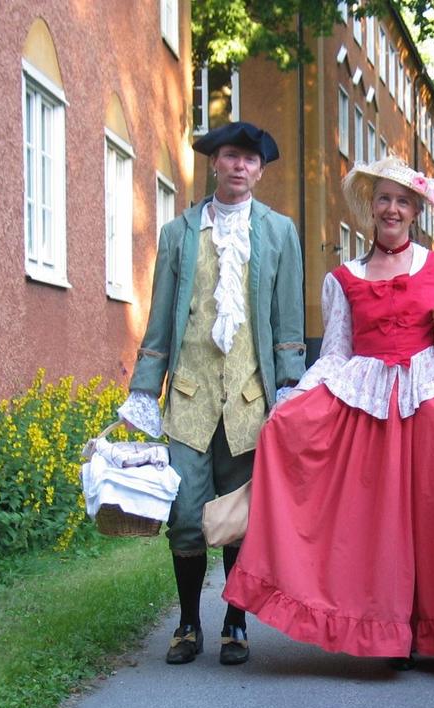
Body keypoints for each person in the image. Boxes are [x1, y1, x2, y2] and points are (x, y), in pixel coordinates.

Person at [223, 156, 434, 666]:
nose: (392, 210)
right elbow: (336, 354)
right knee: (377, 527)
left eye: (403, 201)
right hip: (372, 408)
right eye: (385, 199)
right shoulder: (344, 278)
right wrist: (294, 403)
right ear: (372, 207)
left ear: (415, 212)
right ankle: (384, 627)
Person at [119, 122, 306, 666]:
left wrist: (289, 386)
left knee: (238, 519)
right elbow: (158, 321)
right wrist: (143, 391)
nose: (240, 167)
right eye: (230, 156)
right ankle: (185, 624)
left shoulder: (279, 232)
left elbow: (287, 319)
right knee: (185, 514)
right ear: (215, 163)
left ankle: (234, 623)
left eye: (250, 159)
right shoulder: (180, 233)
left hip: (249, 401)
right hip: (189, 401)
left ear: (260, 169)